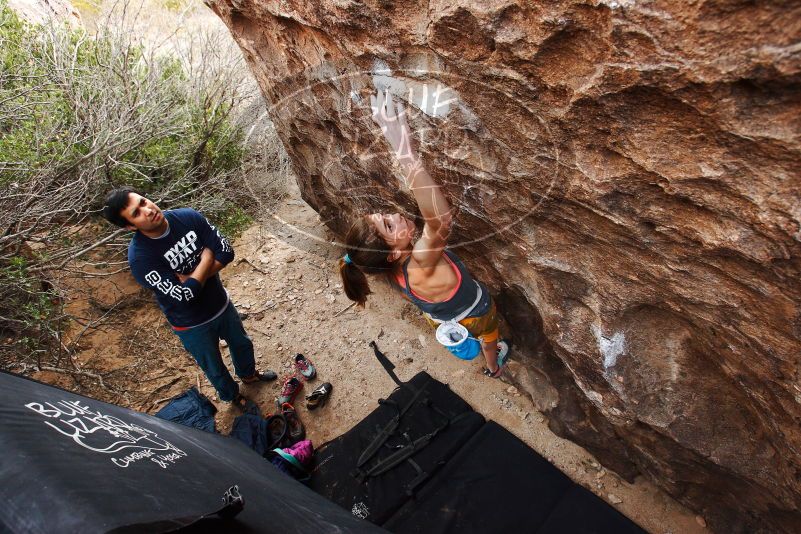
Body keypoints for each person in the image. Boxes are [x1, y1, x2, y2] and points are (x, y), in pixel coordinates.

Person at [338, 90, 510, 378]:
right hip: (475, 314)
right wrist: (403, 147)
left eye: (383, 216)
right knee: (489, 337)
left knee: (480, 335)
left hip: (441, 318)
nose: (393, 215)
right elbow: (440, 220)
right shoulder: (420, 261)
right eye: (389, 226)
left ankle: (490, 362)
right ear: (394, 252)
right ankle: (493, 365)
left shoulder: (389, 271)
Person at [102, 188, 276, 408]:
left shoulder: (187, 217)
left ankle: (249, 375)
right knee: (213, 366)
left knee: (241, 343)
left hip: (220, 304)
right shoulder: (141, 258)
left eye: (144, 201)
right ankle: (233, 396)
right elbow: (185, 296)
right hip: (191, 324)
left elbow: (226, 252)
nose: (148, 210)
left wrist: (192, 278)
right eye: (137, 213)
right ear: (130, 226)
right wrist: (205, 257)